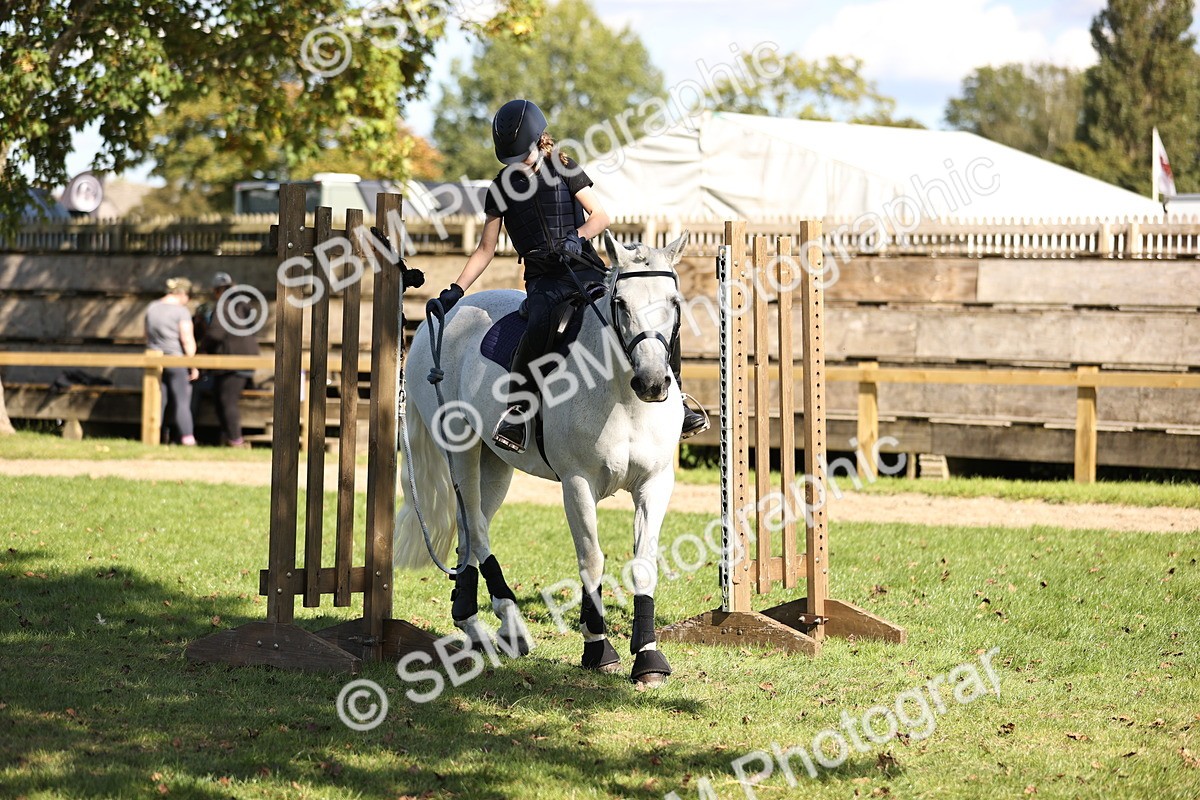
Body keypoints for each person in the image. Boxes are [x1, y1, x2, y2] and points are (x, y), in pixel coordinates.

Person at [429, 98, 708, 454]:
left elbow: (600, 216)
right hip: (545, 280)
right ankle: (517, 410)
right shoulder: (499, 189)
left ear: (538, 141)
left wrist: (578, 237)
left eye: (524, 155)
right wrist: (456, 289)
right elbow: (484, 249)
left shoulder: (562, 166)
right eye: (512, 158)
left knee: (649, 312)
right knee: (540, 322)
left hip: (586, 268)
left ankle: (678, 399)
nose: (520, 163)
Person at [196, 271, 260, 446]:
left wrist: (201, 348)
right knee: (220, 398)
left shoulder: (223, 305)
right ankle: (229, 437)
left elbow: (216, 334)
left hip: (232, 362)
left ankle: (235, 440)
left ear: (217, 291)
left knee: (226, 400)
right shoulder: (242, 305)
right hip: (246, 359)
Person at [145, 276, 198, 445]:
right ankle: (188, 438)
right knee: (182, 401)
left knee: (157, 401)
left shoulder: (152, 308)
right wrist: (193, 364)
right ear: (182, 293)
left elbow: (146, 336)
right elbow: (187, 339)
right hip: (176, 360)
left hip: (154, 361)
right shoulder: (180, 311)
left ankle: (154, 437)